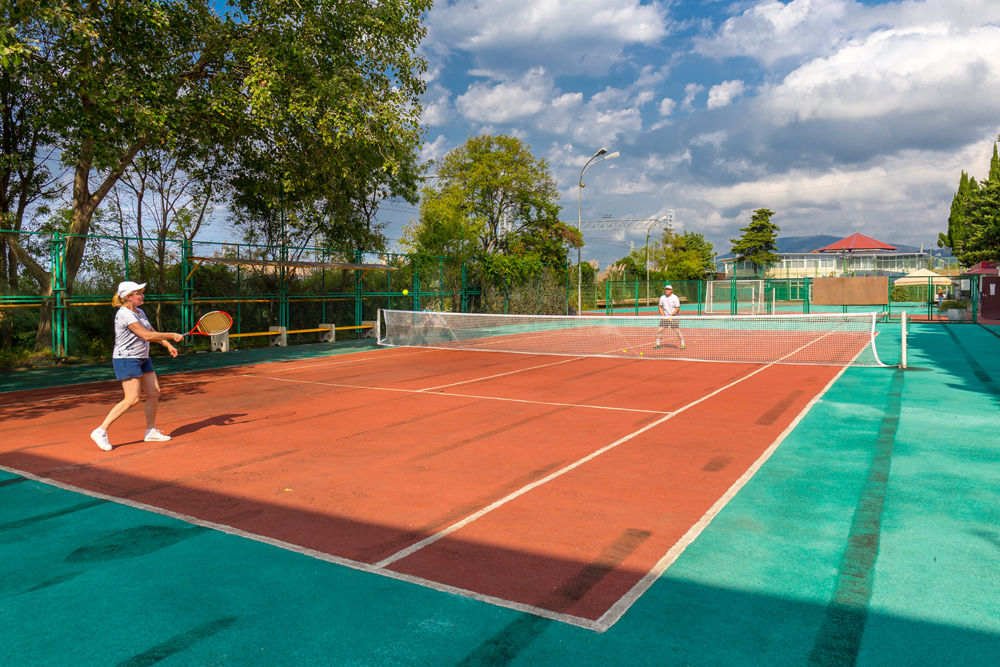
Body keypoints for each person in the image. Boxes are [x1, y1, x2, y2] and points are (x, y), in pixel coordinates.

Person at [90, 281, 185, 451]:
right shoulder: (124, 314)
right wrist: (172, 335)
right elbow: (146, 335)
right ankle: (100, 431)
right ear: (129, 297)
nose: (143, 295)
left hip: (142, 357)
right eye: (139, 293)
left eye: (142, 292)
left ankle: (150, 431)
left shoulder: (139, 312)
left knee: (154, 392)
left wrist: (167, 344)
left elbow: (151, 331)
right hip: (126, 358)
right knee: (132, 398)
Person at [654, 284, 685, 350]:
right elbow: (660, 307)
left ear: (671, 290)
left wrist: (671, 315)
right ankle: (657, 344)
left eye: (668, 289)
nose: (667, 290)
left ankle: (683, 344)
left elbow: (677, 308)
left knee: (677, 330)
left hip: (674, 317)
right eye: (666, 289)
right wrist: (663, 316)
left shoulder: (675, 298)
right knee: (660, 330)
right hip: (665, 317)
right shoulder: (662, 298)